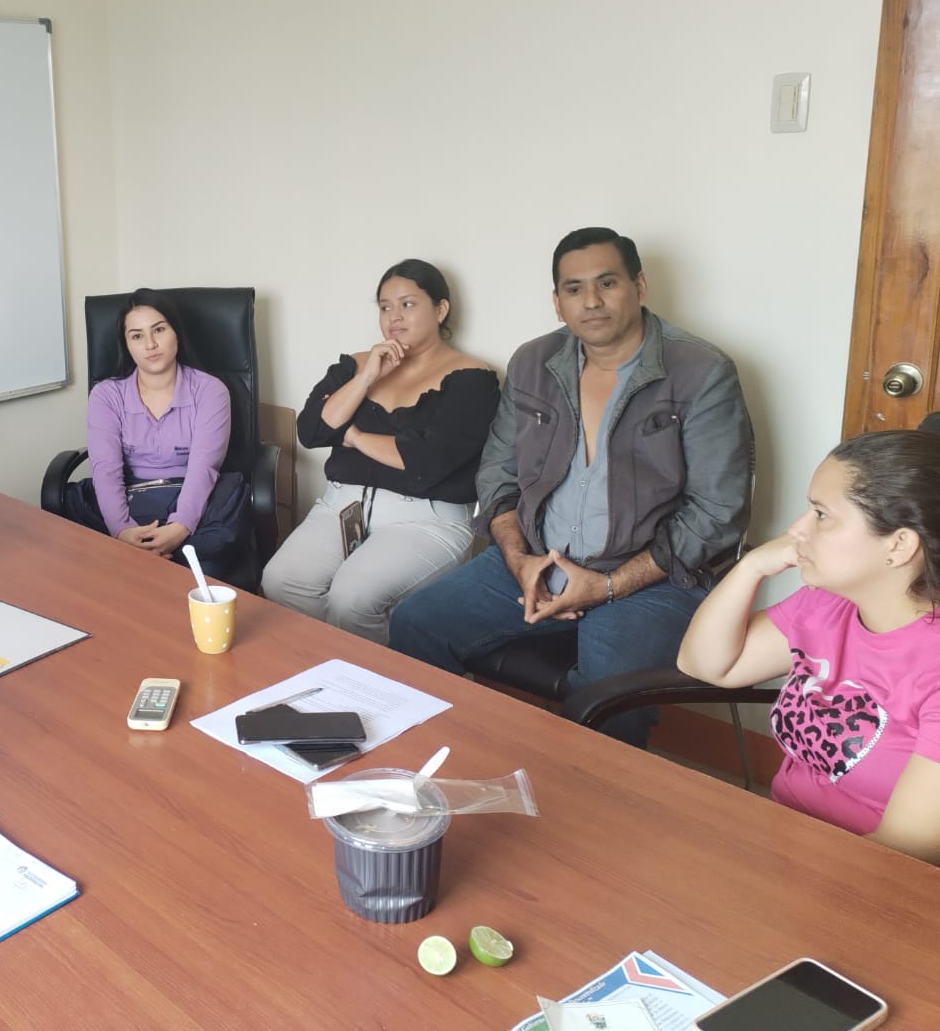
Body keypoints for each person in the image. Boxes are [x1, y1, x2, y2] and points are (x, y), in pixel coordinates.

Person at [389, 228, 754, 745]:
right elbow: (498, 474)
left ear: (639, 287)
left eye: (607, 283)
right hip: (537, 559)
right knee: (415, 622)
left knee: (605, 694)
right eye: (574, 288)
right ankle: (445, 760)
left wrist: (608, 585)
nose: (592, 301)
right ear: (557, 303)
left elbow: (717, 512)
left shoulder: (701, 372)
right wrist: (519, 560)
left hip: (653, 576)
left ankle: (591, 792)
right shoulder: (533, 363)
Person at [677, 431, 940, 863]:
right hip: (782, 841)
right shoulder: (828, 604)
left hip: (860, 878)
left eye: (821, 515)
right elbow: (706, 664)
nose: (797, 529)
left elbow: (900, 856)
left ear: (898, 545)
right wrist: (752, 566)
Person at [260, 260, 498, 643]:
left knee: (351, 598)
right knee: (280, 580)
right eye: (385, 307)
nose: (394, 317)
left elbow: (426, 460)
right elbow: (312, 430)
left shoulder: (472, 377)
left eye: (408, 304)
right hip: (342, 507)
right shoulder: (355, 365)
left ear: (440, 309)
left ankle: (383, 673)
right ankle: (331, 665)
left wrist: (352, 436)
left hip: (425, 518)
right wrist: (368, 375)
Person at [66, 289, 252, 579]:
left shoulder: (210, 390)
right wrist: (122, 531)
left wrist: (179, 529)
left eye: (159, 330)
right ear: (126, 344)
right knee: (102, 574)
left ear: (176, 332)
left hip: (194, 502)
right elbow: (106, 470)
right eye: (137, 336)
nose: (150, 344)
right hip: (130, 500)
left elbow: (204, 467)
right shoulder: (106, 395)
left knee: (201, 572)